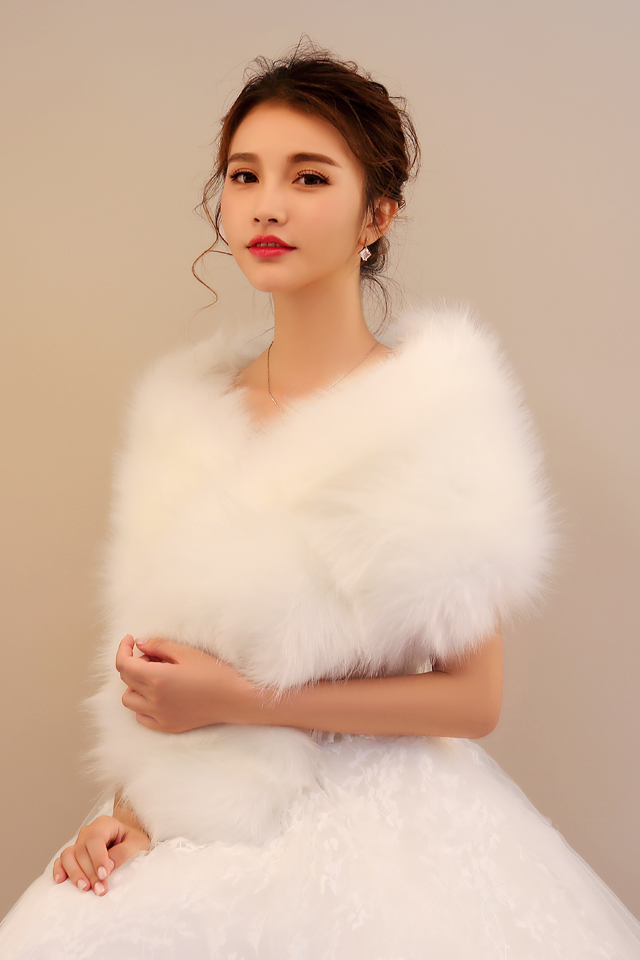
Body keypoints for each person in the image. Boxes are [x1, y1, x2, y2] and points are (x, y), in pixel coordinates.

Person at [1, 42, 639, 960]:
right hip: (208, 817)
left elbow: (472, 699)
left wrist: (242, 699)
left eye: (308, 177)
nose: (268, 204)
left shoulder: (433, 412)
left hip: (390, 841)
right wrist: (128, 813)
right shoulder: (185, 417)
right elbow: (167, 667)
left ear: (377, 213)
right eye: (244, 175)